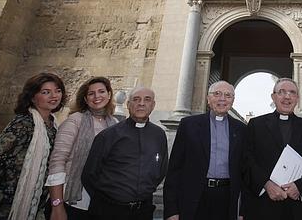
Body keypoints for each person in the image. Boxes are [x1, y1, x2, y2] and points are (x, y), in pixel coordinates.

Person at [0, 72, 67, 220]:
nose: (54, 96)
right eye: (46, 92)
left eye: (57, 91)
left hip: (34, 202)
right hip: (4, 203)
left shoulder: (53, 126)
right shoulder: (23, 123)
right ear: (33, 97)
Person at [244, 78, 302, 220]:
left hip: (299, 205)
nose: (287, 97)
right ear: (273, 97)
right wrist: (266, 184)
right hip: (264, 204)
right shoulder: (256, 125)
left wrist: (300, 187)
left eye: (292, 93)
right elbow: (247, 159)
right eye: (281, 92)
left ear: (297, 98)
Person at [163, 80, 247, 220]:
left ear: (233, 100)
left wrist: (242, 211)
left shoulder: (241, 129)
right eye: (217, 94)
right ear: (208, 99)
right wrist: (172, 210)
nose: (222, 99)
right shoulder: (189, 125)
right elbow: (174, 169)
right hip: (194, 196)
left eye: (228, 95)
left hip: (226, 198)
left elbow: (244, 172)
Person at [81, 87, 168, 220]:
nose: (141, 103)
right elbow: (89, 174)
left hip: (143, 211)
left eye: (147, 99)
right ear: (128, 105)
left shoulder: (159, 135)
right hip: (108, 211)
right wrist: (108, 199)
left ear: (153, 105)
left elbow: (161, 170)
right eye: (136, 99)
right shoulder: (109, 135)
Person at [45, 76, 118, 220]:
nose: (97, 96)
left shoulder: (114, 123)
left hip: (99, 202)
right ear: (85, 99)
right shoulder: (75, 120)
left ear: (109, 95)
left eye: (101, 91)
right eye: (91, 93)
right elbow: (57, 161)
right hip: (69, 201)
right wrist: (57, 205)